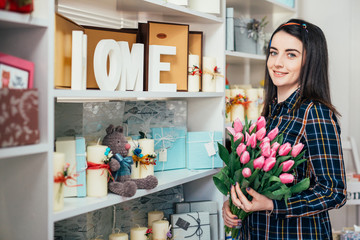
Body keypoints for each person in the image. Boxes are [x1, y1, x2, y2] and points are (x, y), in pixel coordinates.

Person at [222, 19, 347, 239]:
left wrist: (272, 204)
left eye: (291, 54)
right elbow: (257, 179)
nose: (277, 63)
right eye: (273, 52)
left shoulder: (314, 112)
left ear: (310, 61)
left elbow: (334, 192)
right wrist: (236, 203)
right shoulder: (270, 112)